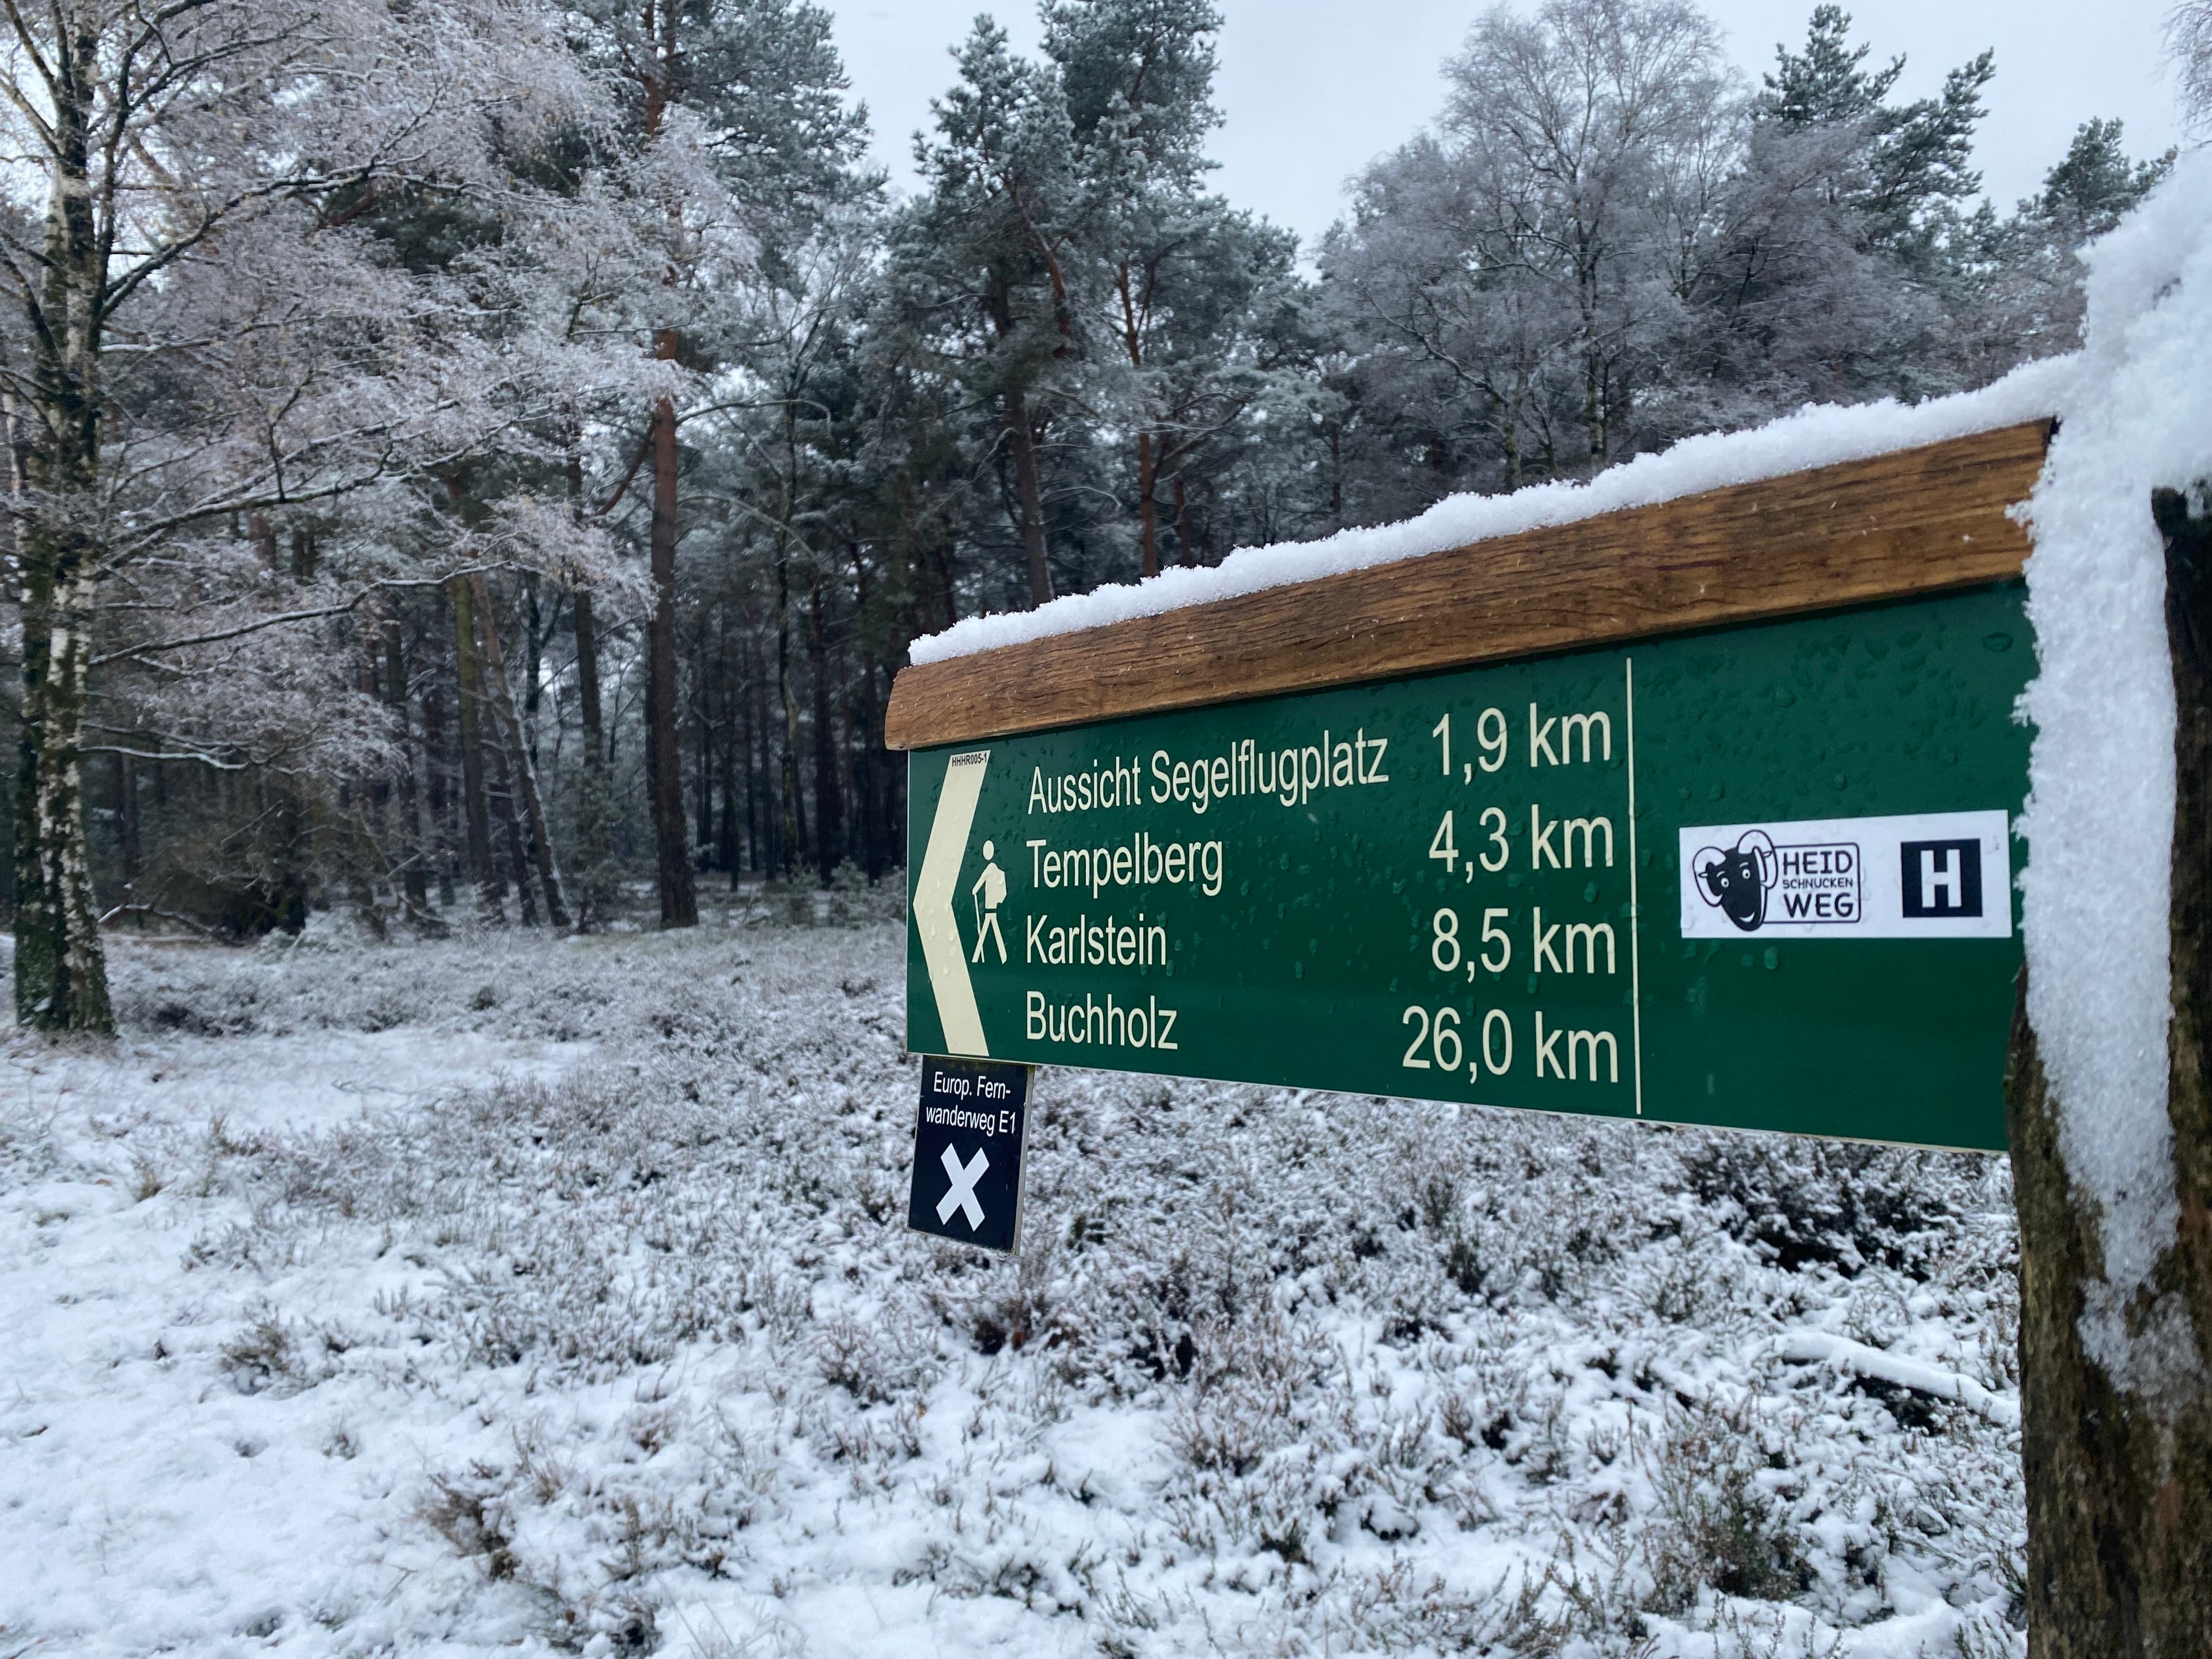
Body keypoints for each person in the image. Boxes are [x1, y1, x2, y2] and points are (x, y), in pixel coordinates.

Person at [970, 840, 1007, 964]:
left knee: (988, 928)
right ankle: (1002, 956)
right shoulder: (997, 871)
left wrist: (974, 890)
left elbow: (979, 883)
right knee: (992, 928)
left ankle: (977, 957)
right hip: (993, 906)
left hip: (989, 907)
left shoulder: (989, 870)